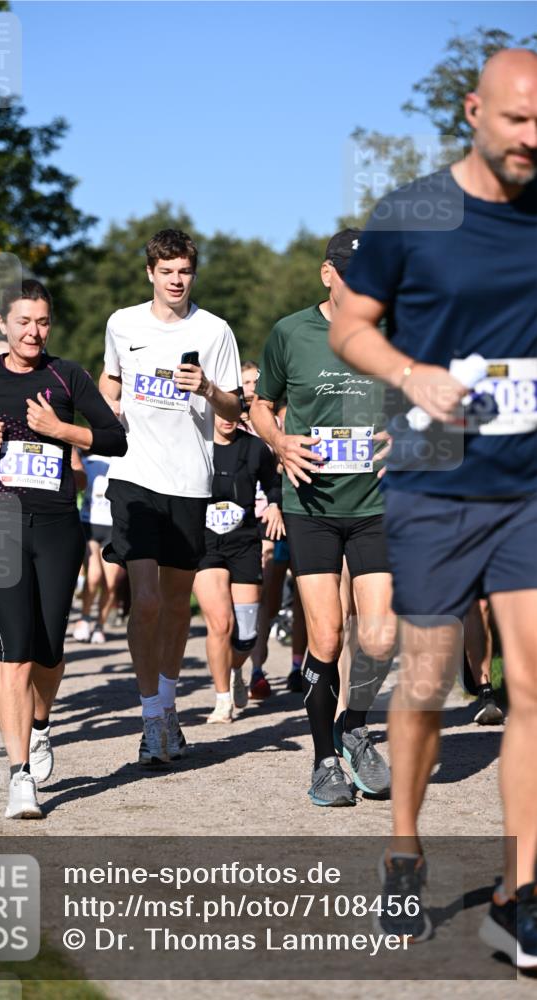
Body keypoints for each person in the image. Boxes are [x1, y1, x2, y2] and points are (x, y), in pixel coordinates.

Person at [329, 49, 537, 964]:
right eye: (516, 121)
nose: (531, 139)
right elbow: (349, 326)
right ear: (471, 111)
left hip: (528, 480)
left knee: (530, 686)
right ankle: (404, 851)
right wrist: (413, 373)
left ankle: (518, 892)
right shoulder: (413, 210)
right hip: (432, 471)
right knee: (423, 679)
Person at [0, 279, 127, 819]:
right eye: (24, 322)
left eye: (42, 322)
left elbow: (115, 438)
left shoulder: (68, 376)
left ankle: (42, 727)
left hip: (58, 525)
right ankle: (20, 777)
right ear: (4, 325)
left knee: (48, 650)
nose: (33, 331)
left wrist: (62, 429)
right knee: (16, 650)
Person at [251, 229, 395, 807]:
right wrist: (280, 443)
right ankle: (323, 760)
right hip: (310, 504)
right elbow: (261, 405)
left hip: (375, 505)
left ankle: (354, 726)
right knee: (329, 635)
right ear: (327, 273)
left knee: (381, 636)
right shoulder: (291, 332)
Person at [99, 229, 242, 766]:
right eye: (167, 271)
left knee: (178, 605)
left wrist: (206, 388)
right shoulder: (122, 323)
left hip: (190, 480)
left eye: (184, 271)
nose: (176, 280)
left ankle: (168, 703)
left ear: (192, 274)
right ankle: (151, 719)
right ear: (150, 274)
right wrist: (106, 410)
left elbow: (234, 409)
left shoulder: (215, 331)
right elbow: (110, 382)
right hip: (134, 475)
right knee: (149, 599)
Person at [194, 413, 283, 722]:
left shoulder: (255, 448)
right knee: (219, 624)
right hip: (204, 542)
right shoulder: (195, 443)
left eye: (234, 412)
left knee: (246, 634)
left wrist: (274, 505)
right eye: (221, 412)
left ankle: (235, 671)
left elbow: (273, 484)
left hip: (244, 541)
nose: (228, 418)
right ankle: (222, 699)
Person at [73, 451, 126, 644]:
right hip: (89, 525)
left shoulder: (123, 460)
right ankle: (85, 618)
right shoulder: (87, 462)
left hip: (113, 528)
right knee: (94, 575)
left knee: (111, 583)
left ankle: (100, 625)